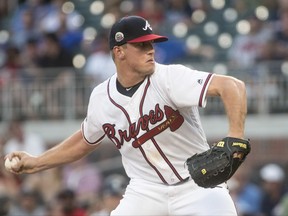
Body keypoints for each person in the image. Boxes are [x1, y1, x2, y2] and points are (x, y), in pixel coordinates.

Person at [4, 15, 248, 215]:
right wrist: (36, 162)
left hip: (198, 185)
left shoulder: (169, 78)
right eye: (141, 45)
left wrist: (235, 135)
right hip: (146, 191)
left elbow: (232, 86)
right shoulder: (101, 97)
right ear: (119, 52)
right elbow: (84, 140)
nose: (150, 50)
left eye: (151, 44)